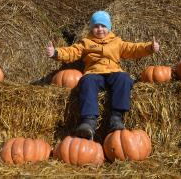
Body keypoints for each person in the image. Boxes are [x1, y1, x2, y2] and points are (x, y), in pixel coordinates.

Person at [46, 10, 159, 139]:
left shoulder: (117, 42)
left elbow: (133, 49)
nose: (100, 29)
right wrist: (56, 53)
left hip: (114, 72)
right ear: (91, 28)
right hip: (94, 72)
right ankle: (89, 121)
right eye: (96, 26)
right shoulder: (86, 42)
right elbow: (72, 52)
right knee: (86, 82)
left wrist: (149, 48)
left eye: (103, 26)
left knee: (124, 79)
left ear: (109, 27)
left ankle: (116, 118)